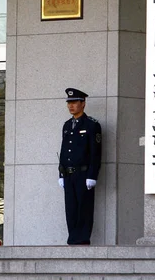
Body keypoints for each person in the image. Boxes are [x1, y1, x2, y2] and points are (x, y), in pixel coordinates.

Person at [58, 88, 102, 245]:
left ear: (83, 104)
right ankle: (73, 238)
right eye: (69, 103)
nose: (71, 106)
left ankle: (82, 239)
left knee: (84, 207)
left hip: (84, 174)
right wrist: (61, 174)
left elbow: (95, 153)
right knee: (71, 208)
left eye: (74, 102)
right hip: (69, 174)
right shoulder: (67, 125)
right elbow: (64, 150)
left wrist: (92, 175)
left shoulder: (91, 125)